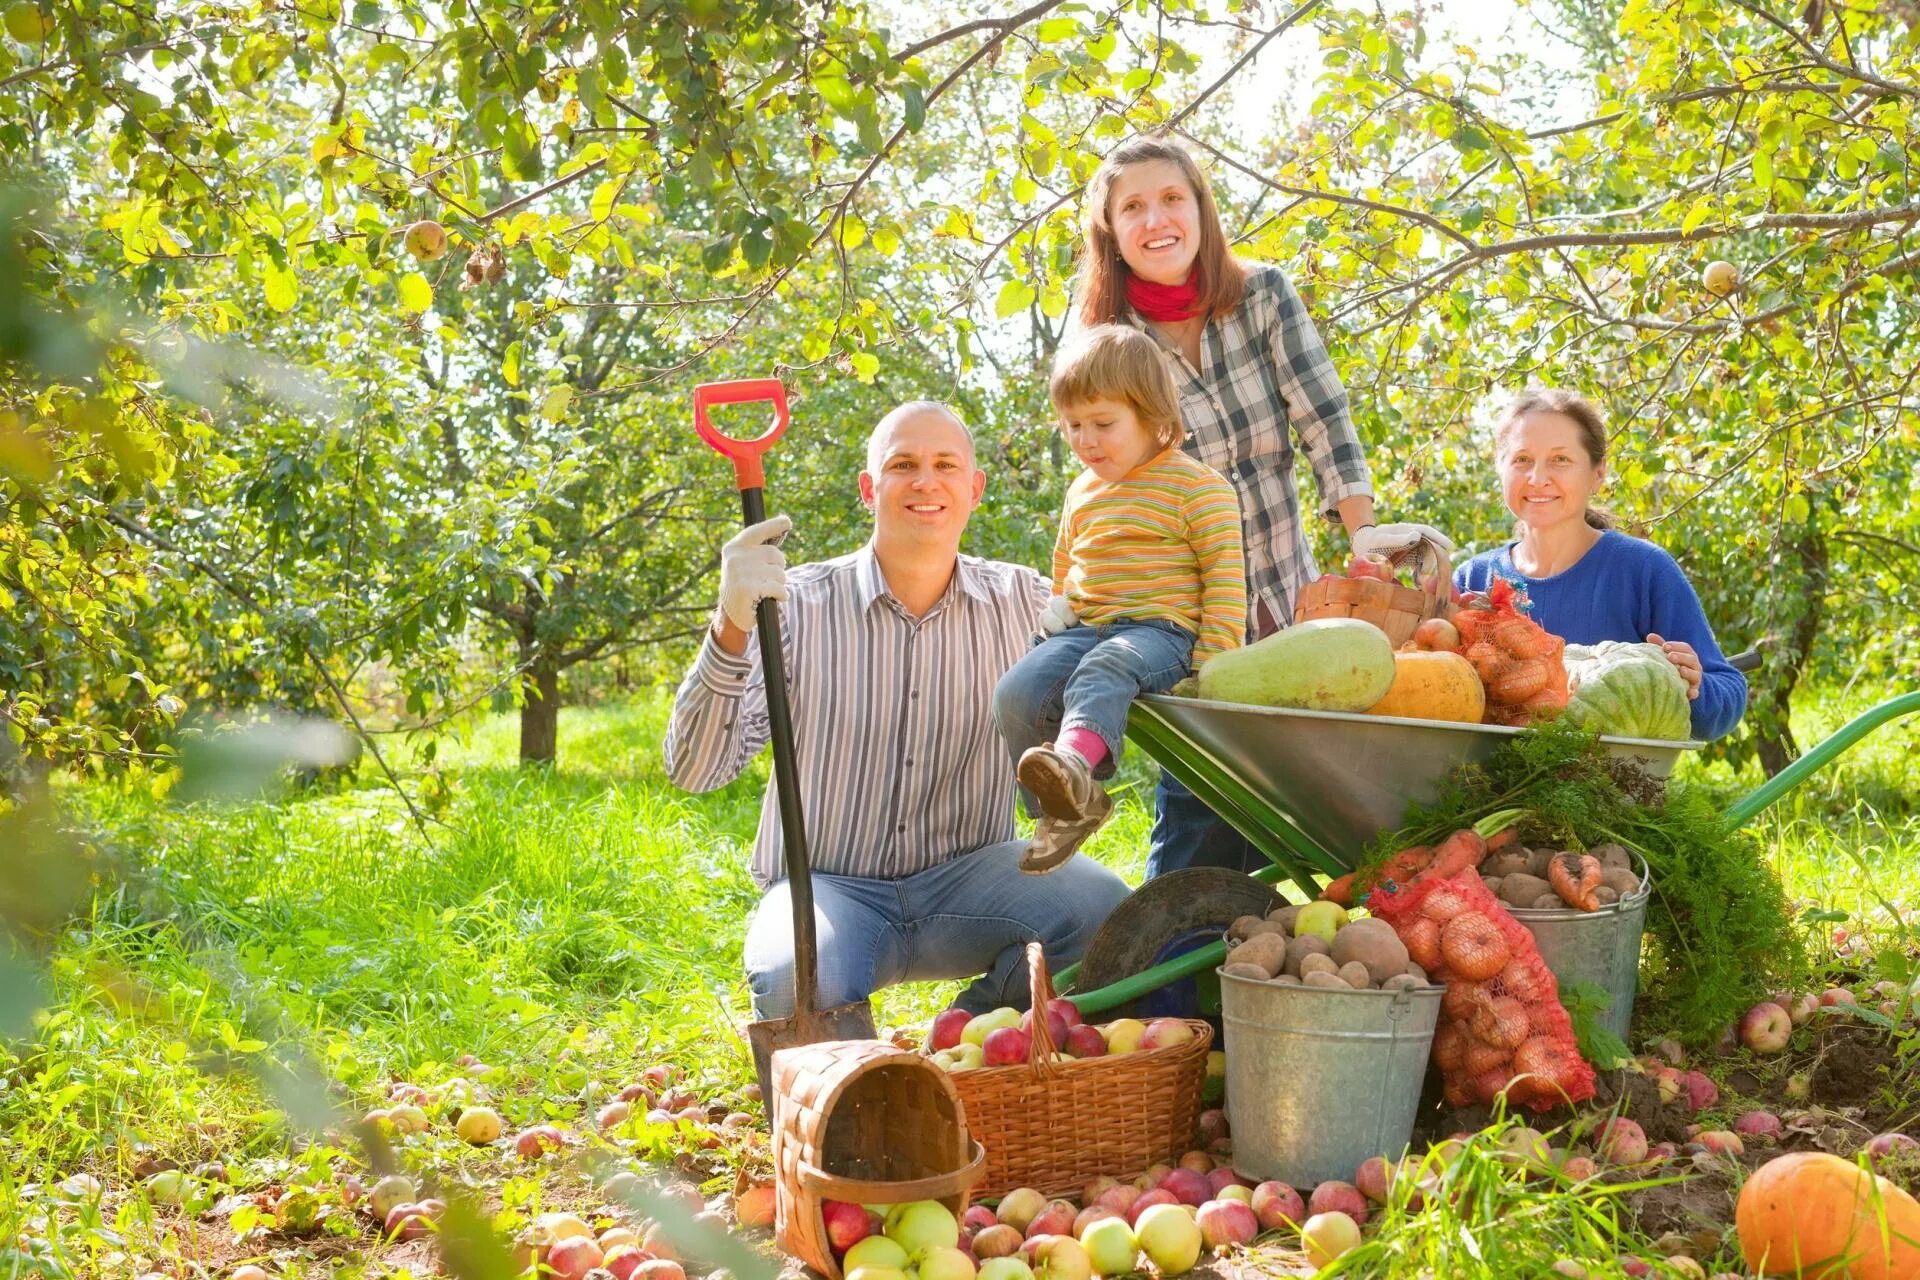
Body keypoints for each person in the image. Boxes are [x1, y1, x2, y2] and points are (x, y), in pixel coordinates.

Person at [663, 401, 1133, 1020]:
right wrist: (730, 623)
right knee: (793, 977)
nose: (925, 481)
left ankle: (973, 1036)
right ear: (869, 488)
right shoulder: (791, 607)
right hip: (829, 890)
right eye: (902, 464)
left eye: (945, 464)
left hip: (972, 883)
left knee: (1104, 912)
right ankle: (859, 1099)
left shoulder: (1027, 604)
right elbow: (695, 771)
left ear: (974, 488)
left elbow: (1137, 643)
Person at [1069, 133, 1451, 878]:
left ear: (1202, 208)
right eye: (1134, 207)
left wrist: (1363, 530)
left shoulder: (1262, 296)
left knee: (1299, 795)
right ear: (1111, 231)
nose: (1158, 221)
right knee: (1199, 807)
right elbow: (1103, 480)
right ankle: (1176, 971)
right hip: (1182, 611)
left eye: (1172, 198)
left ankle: (1290, 957)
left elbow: (1324, 420)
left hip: (1280, 594)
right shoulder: (1103, 341)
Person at [993, 325, 1246, 873]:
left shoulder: (1198, 488)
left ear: (1154, 416)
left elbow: (1225, 581)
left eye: (1103, 423)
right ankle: (1061, 810)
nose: (1086, 440)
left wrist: (1212, 667)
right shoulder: (1081, 491)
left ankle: (1075, 770)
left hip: (1163, 633)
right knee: (1018, 691)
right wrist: (1057, 605)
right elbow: (1067, 562)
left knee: (1106, 668)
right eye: (1074, 425)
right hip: (1087, 627)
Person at [1453, 388, 1746, 741]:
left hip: (1610, 790)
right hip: (1488, 790)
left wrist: (1695, 687)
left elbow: (1728, 694)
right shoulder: (1474, 579)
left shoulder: (1642, 570)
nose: (1538, 477)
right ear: (1500, 469)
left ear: (1598, 473)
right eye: (1522, 459)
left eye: (1560, 460)